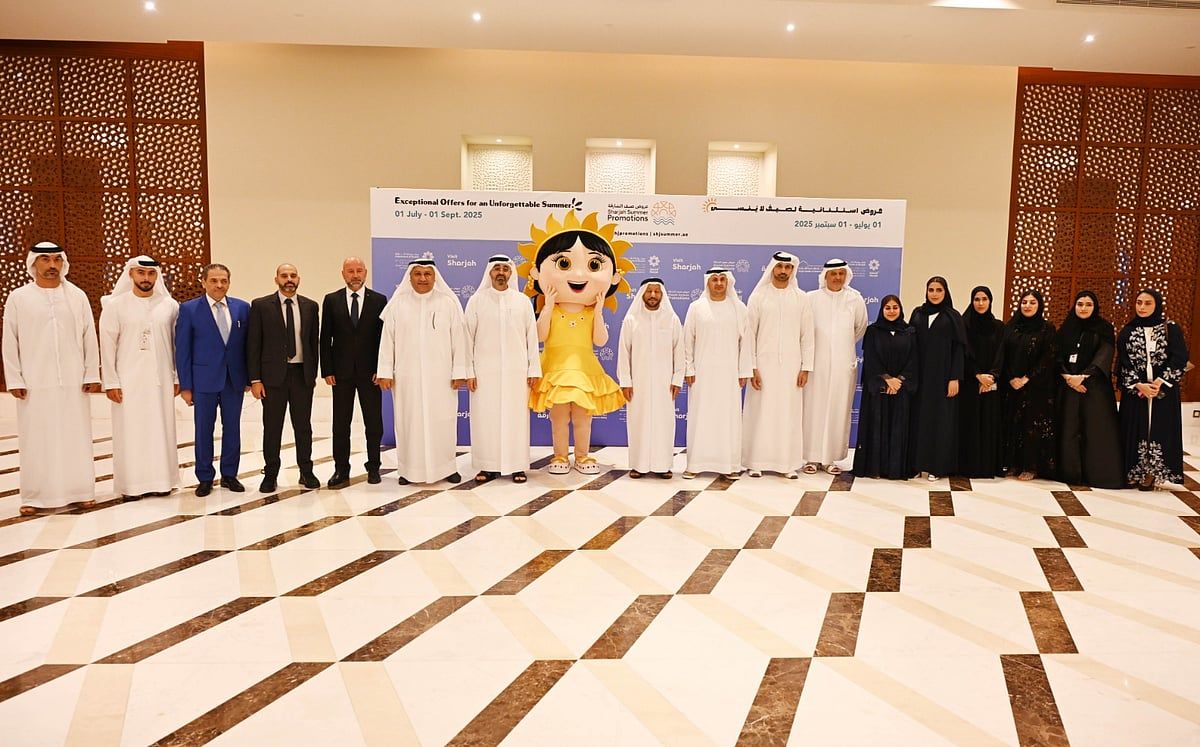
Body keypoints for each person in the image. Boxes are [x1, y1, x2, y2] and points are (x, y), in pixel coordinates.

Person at [519, 210, 633, 475]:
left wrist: (599, 310)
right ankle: (560, 455)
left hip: (584, 369)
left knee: (583, 418)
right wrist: (548, 305)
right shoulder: (550, 310)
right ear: (537, 272)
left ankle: (582, 456)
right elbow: (540, 336)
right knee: (559, 418)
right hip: (556, 369)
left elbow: (600, 340)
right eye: (564, 264)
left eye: (593, 266)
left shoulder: (591, 312)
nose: (579, 274)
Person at [3, 241, 101, 515]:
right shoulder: (19, 297)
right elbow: (10, 340)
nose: (52, 265)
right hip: (35, 381)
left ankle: (81, 491)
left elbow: (88, 336)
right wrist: (15, 379)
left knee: (76, 435)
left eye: (57, 259)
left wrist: (91, 373)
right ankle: (35, 496)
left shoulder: (77, 296)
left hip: (73, 381)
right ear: (33, 263)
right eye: (45, 260)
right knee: (36, 438)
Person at [376, 259, 469, 484]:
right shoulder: (398, 305)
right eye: (418, 274)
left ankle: (447, 468)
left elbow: (459, 340)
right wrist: (385, 371)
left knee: (443, 422)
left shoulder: (448, 303)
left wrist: (460, 372)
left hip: (441, 378)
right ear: (410, 277)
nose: (423, 278)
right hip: (407, 378)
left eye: (428, 274)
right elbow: (387, 341)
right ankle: (409, 471)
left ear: (435, 277)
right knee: (409, 423)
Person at [98, 256, 180, 499]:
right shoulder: (115, 305)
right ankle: (131, 486)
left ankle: (162, 481)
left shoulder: (169, 306)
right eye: (141, 273)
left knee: (161, 429)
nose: (146, 278)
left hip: (161, 379)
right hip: (128, 381)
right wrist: (111, 382)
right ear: (131, 274)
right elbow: (107, 346)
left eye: (151, 273)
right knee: (130, 431)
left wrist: (176, 377)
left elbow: (176, 345)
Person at [175, 263, 250, 496]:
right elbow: (183, 350)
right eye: (214, 280)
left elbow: (248, 346)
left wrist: (249, 378)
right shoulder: (189, 309)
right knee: (203, 430)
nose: (219, 285)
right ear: (204, 282)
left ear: (229, 282)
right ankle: (205, 477)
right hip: (203, 381)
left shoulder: (242, 308)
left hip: (233, 380)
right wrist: (186, 386)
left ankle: (229, 475)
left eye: (224, 281)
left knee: (232, 428)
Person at [465, 255, 541, 484]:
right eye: (496, 268)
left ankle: (517, 465)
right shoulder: (477, 301)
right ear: (489, 272)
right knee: (485, 418)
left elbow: (531, 337)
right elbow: (467, 339)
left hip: (516, 373)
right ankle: (487, 466)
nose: (500, 272)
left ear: (511, 273)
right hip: (484, 373)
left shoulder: (522, 301)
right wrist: (469, 371)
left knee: (515, 419)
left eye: (505, 269)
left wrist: (533, 369)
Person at [248, 263, 321, 493]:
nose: (289, 279)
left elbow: (313, 344)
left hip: (301, 376)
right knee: (272, 428)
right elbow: (253, 344)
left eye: (293, 275)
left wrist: (312, 374)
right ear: (276, 279)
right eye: (284, 275)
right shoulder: (261, 306)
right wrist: (255, 379)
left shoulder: (310, 306)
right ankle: (270, 474)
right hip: (272, 378)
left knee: (303, 427)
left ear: (298, 279)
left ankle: (306, 471)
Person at [742, 252, 815, 479]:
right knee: (761, 412)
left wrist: (806, 367)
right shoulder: (759, 296)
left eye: (788, 267)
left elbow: (807, 335)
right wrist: (752, 367)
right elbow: (749, 334)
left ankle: (787, 463)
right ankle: (755, 462)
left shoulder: (801, 298)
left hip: (792, 367)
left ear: (793, 270)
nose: (783, 271)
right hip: (763, 366)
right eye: (780, 266)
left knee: (788, 413)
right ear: (772, 268)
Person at [321, 256, 387, 487]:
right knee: (341, 424)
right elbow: (325, 337)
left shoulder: (379, 300)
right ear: (343, 274)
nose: (355, 275)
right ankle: (341, 469)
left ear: (365, 273)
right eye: (350, 271)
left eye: (359, 270)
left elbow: (383, 339)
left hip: (371, 374)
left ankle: (374, 467)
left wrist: (381, 368)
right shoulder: (331, 300)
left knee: (374, 423)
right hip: (341, 374)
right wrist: (327, 369)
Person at [683, 268, 752, 480]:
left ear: (728, 282)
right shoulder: (696, 308)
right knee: (700, 417)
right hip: (702, 374)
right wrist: (689, 368)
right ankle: (695, 464)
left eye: (723, 279)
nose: (719, 283)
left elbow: (746, 343)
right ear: (708, 283)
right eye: (715, 280)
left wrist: (743, 370)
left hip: (729, 374)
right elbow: (688, 340)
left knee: (728, 419)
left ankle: (730, 465)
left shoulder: (739, 308)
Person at [1117, 289, 1190, 491]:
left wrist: (1160, 382)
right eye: (1139, 302)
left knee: (1158, 428)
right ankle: (1134, 470)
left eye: (1148, 303)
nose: (1142, 307)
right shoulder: (1128, 330)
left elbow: (1179, 358)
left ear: (1157, 305)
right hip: (1137, 391)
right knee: (1135, 428)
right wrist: (1138, 384)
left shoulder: (1170, 328)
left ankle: (1152, 472)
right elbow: (1123, 361)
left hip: (1162, 391)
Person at [802, 258, 868, 475]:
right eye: (833, 274)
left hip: (843, 364)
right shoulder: (811, 298)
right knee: (814, 408)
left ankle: (830, 459)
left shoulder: (854, 299)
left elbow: (860, 328)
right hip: (816, 364)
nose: (837, 277)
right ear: (825, 276)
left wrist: (841, 347)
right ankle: (811, 457)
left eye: (841, 273)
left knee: (838, 409)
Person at [617, 277, 684, 479]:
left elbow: (679, 351)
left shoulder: (671, 320)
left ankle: (663, 465)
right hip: (638, 384)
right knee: (638, 422)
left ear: (662, 294)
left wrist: (677, 379)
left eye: (656, 291)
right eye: (649, 291)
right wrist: (626, 381)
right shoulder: (632, 320)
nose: (653, 295)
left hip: (665, 384)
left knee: (664, 423)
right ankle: (638, 465)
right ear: (642, 294)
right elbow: (624, 353)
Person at [1056, 290, 1123, 488]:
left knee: (1095, 432)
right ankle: (1069, 473)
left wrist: (1084, 377)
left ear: (1095, 307)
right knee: (1068, 430)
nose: (1083, 308)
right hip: (1068, 386)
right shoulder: (1067, 328)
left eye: (1088, 305)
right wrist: (1068, 376)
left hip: (1094, 388)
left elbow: (1104, 354)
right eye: (1080, 304)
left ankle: (1096, 475)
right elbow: (1055, 354)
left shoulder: (1104, 328)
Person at [993, 289, 1057, 481]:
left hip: (1036, 387)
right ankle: (1013, 463)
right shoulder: (1011, 327)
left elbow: (1048, 357)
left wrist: (1027, 378)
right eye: (1024, 302)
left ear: (1040, 305)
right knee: (1012, 423)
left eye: (1032, 302)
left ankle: (1031, 466)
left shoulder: (1047, 329)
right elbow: (1003, 355)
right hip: (1011, 386)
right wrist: (1011, 378)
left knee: (1031, 426)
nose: (1027, 306)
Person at [853, 295, 918, 479]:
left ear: (900, 309)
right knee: (876, 427)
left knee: (898, 429)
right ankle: (875, 468)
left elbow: (914, 360)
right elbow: (871, 359)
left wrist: (900, 381)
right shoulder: (873, 331)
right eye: (887, 308)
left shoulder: (909, 332)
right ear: (882, 310)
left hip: (901, 390)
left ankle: (895, 469)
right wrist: (887, 379)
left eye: (895, 307)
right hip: (879, 391)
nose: (891, 311)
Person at [908, 276, 966, 481]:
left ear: (945, 292)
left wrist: (955, 377)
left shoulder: (953, 316)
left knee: (940, 422)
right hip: (920, 378)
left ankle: (937, 467)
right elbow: (909, 344)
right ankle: (916, 465)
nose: (934, 294)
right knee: (918, 420)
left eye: (938, 290)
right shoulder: (917, 313)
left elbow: (959, 349)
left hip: (942, 378)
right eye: (931, 289)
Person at [958, 286, 1004, 478]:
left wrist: (991, 376)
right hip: (970, 383)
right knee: (970, 424)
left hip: (991, 384)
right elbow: (963, 354)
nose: (980, 303)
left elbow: (1001, 354)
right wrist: (977, 375)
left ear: (990, 301)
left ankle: (987, 466)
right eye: (977, 299)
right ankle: (968, 467)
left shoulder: (999, 327)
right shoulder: (964, 325)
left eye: (984, 299)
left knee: (988, 423)